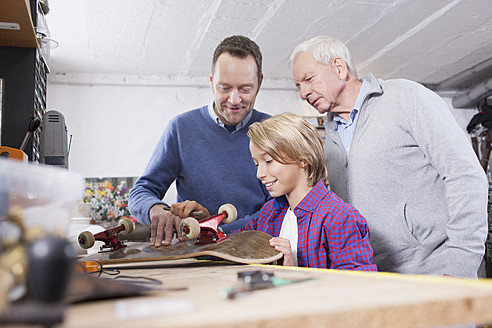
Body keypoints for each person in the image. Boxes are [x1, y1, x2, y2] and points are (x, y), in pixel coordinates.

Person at [289, 36, 488, 278]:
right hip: (377, 276)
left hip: (437, 271)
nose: (303, 93)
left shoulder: (406, 98)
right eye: (298, 85)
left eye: (308, 79)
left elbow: (465, 176)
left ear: (339, 68)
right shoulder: (331, 135)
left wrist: (460, 268)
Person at [128, 35, 270, 247]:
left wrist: (214, 228)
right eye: (224, 87)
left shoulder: (273, 132)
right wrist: (156, 210)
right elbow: (141, 191)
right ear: (211, 80)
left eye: (245, 89)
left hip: (258, 250)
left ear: (259, 82)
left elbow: (279, 208)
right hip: (196, 254)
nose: (234, 99)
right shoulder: (181, 129)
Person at [237, 112, 377, 271]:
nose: (260, 174)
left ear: (303, 159)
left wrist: (293, 272)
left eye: (268, 161)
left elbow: (357, 286)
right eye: (257, 164)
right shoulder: (269, 213)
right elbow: (232, 242)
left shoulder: (339, 217)